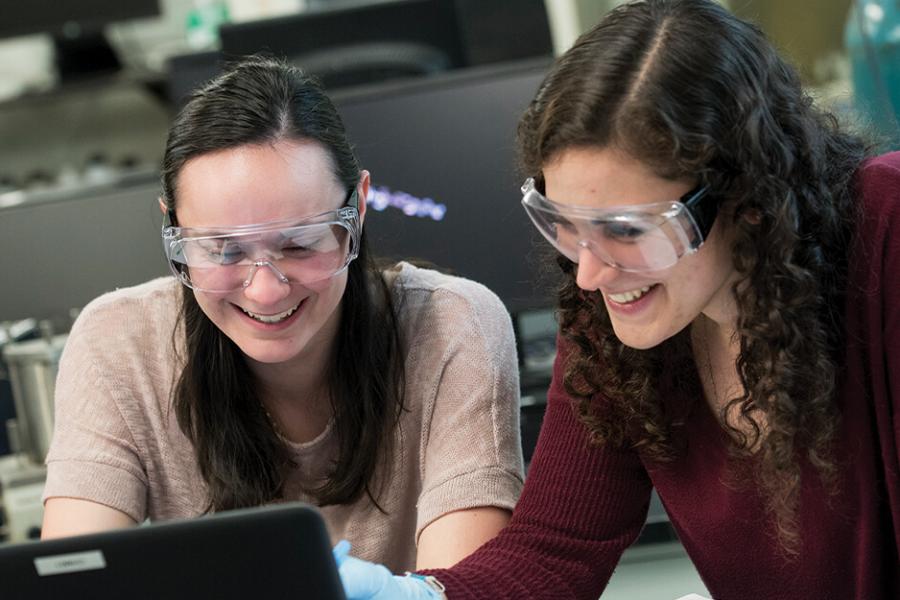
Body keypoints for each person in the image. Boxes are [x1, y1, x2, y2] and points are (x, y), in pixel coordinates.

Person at [335, 0, 900, 598]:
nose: (590, 273)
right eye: (565, 223)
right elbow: (554, 548)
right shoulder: (616, 316)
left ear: (748, 198)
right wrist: (422, 597)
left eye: (628, 230)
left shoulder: (886, 231)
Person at [40, 57, 525, 573]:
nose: (266, 291)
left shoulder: (452, 326)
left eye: (298, 243)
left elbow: (461, 589)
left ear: (358, 207)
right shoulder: (118, 343)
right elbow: (69, 577)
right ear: (173, 225)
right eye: (223, 251)